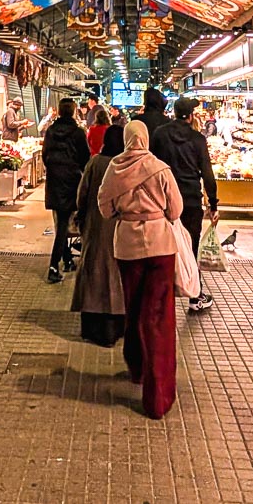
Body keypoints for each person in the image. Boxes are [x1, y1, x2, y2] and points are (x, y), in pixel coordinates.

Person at [97, 120, 183, 420]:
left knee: (133, 309)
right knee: (158, 316)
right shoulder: (160, 169)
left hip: (128, 247)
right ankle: (158, 397)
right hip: (160, 247)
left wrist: (126, 210)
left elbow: (104, 208)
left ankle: (137, 368)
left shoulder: (114, 168)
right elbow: (176, 210)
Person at [150, 96, 219, 315]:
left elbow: (150, 164)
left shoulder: (159, 135)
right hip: (190, 200)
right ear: (190, 116)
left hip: (163, 200)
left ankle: (161, 296)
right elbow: (207, 174)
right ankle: (195, 297)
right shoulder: (198, 139)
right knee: (191, 248)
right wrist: (213, 203)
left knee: (163, 248)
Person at [71, 124, 125, 347]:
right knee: (117, 276)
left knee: (93, 274)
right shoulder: (124, 164)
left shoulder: (95, 163)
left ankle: (92, 329)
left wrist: (81, 217)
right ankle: (116, 328)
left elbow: (81, 194)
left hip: (95, 225)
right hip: (121, 229)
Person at [41, 97, 90, 283]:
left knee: (60, 222)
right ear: (74, 111)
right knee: (64, 224)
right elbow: (85, 158)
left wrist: (54, 169)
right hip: (71, 181)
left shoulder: (51, 131)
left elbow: (45, 155)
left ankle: (67, 259)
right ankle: (54, 266)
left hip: (54, 180)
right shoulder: (78, 133)